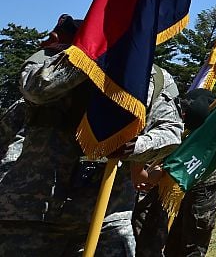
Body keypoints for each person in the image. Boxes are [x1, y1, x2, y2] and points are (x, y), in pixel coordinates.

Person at [0, 14, 183, 256]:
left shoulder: (155, 78)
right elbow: (35, 89)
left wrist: (136, 146)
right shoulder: (52, 59)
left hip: (107, 215)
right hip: (33, 210)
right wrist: (91, 59)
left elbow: (171, 132)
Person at [133, 88, 216, 257]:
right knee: (169, 239)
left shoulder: (205, 121)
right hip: (176, 177)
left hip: (207, 178)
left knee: (192, 241)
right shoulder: (176, 112)